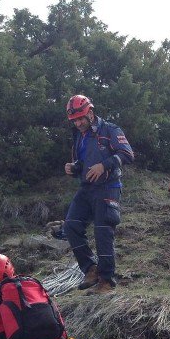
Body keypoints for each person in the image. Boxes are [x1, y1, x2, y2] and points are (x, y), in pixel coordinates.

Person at [63, 94, 135, 294]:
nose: (78, 123)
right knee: (70, 226)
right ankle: (91, 269)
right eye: (74, 120)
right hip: (86, 188)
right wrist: (73, 168)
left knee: (103, 232)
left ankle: (106, 281)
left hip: (108, 187)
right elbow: (82, 163)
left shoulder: (110, 130)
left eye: (81, 118)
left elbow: (127, 154)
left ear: (90, 113)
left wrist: (104, 165)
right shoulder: (78, 136)